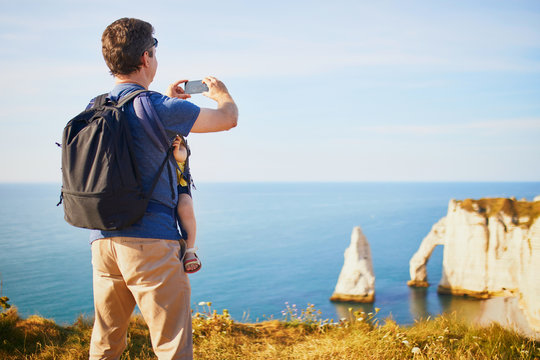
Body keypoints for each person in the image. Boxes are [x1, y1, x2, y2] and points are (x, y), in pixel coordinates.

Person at [89, 17, 238, 360]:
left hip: (103, 241)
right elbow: (228, 119)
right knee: (172, 346)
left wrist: (169, 107)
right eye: (154, 50)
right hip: (151, 242)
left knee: (106, 343)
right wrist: (222, 93)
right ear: (145, 57)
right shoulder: (158, 107)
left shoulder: (96, 107)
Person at [172, 135, 200, 273]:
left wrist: (176, 149)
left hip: (179, 187)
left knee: (186, 206)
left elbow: (182, 155)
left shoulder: (179, 143)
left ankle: (189, 249)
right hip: (158, 188)